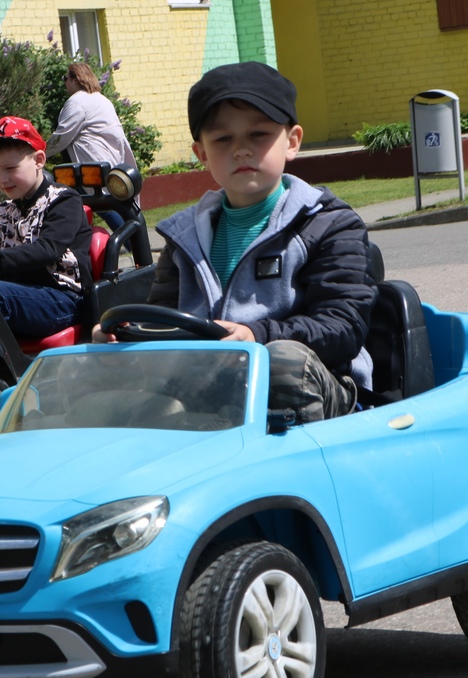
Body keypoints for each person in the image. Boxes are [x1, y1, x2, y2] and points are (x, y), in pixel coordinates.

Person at [98, 62, 375, 423]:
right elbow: (164, 324)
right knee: (92, 393)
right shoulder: (184, 236)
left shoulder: (328, 225)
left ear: (292, 142)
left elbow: (343, 327)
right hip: (210, 385)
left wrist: (256, 336)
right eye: (223, 139)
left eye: (258, 134)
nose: (241, 150)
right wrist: (125, 338)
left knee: (283, 365)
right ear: (202, 153)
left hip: (320, 390)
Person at [0, 116, 93, 340]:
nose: (1, 179)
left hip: (62, 300)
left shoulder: (63, 200)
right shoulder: (2, 212)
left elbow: (47, 249)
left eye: (10, 168)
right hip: (17, 299)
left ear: (38, 160)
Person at [44, 62, 136, 232]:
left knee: (104, 205)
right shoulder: (101, 99)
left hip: (91, 163)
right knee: (111, 204)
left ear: (76, 79)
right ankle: (136, 242)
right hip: (111, 158)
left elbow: (62, 136)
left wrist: (39, 153)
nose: (65, 82)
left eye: (66, 78)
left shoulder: (77, 102)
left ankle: (131, 241)